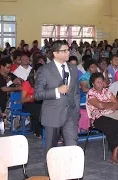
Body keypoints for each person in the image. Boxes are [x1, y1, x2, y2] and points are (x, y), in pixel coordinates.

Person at [34, 40, 80, 172]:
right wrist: (56, 91)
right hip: (53, 114)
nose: (68, 53)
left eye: (68, 50)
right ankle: (51, 172)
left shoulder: (73, 68)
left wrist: (76, 110)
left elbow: (75, 92)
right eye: (64, 50)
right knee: (51, 148)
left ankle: (72, 173)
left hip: (70, 114)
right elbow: (38, 94)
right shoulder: (45, 70)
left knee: (73, 146)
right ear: (55, 53)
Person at [0, 57, 22, 130]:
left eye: (10, 68)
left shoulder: (10, 75)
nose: (9, 69)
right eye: (7, 67)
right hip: (0, 99)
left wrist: (18, 81)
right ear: (1, 66)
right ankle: (9, 119)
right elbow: (4, 89)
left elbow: (18, 80)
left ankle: (16, 119)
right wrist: (17, 88)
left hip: (10, 97)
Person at [21, 63, 43, 138]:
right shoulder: (27, 83)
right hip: (28, 103)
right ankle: (38, 131)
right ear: (34, 72)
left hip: (38, 102)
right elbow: (22, 100)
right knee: (39, 109)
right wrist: (32, 96)